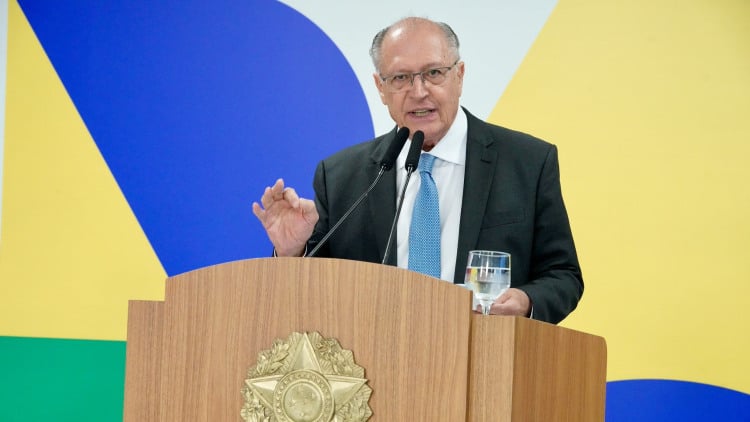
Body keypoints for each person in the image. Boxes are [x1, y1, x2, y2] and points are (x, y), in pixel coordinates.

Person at [253, 17, 583, 324]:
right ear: (380, 87)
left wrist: (526, 301)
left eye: (434, 73)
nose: (419, 91)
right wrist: (292, 253)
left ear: (459, 75)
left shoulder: (527, 162)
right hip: (375, 362)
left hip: (487, 356)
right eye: (400, 78)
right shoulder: (341, 177)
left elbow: (563, 275)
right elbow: (316, 293)